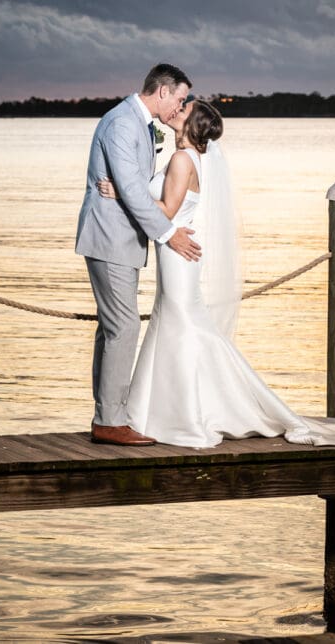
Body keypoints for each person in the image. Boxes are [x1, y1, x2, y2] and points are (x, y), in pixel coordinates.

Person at [98, 99, 335, 449]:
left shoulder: (181, 159)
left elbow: (167, 210)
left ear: (193, 126)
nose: (177, 111)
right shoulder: (193, 159)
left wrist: (121, 194)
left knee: (181, 323)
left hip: (178, 253)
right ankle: (173, 409)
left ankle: (186, 414)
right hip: (177, 252)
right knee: (181, 322)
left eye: (184, 111)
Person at [75, 64, 201, 446]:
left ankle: (107, 415)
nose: (180, 107)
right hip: (110, 238)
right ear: (162, 91)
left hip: (121, 239)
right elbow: (131, 190)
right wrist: (169, 235)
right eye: (179, 98)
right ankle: (110, 421)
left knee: (113, 328)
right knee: (124, 327)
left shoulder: (140, 124)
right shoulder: (124, 123)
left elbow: (134, 187)